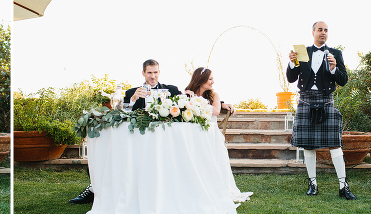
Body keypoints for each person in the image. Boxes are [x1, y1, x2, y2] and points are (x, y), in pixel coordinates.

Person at [69, 59, 182, 204]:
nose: (152, 76)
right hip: (136, 140)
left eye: (155, 72)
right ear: (143, 73)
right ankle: (94, 189)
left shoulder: (172, 90)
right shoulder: (131, 93)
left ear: (159, 72)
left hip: (163, 140)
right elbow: (120, 114)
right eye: (149, 73)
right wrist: (134, 99)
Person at [287, 21, 358, 200]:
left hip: (327, 101)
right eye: (320, 29)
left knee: (335, 143)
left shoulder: (336, 54)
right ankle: (313, 184)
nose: (323, 33)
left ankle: (343, 185)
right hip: (305, 100)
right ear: (313, 32)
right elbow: (291, 78)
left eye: (326, 30)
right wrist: (292, 62)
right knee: (308, 145)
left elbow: (343, 80)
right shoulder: (303, 52)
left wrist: (334, 69)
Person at [184, 67, 252, 203]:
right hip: (192, 133)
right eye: (210, 79)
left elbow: (215, 111)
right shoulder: (187, 94)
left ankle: (215, 189)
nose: (213, 82)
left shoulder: (214, 96)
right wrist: (188, 99)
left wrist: (196, 101)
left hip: (210, 133)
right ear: (201, 80)